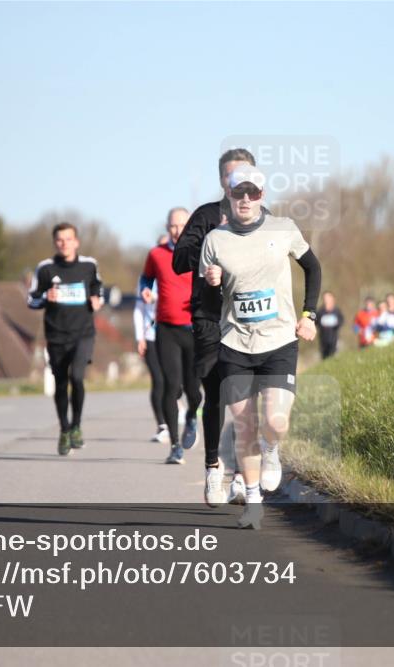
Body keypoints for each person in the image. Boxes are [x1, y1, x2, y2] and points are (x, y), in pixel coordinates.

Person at [201, 163, 321, 529]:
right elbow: (206, 306)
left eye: (253, 192)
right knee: (243, 424)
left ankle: (272, 450)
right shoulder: (215, 241)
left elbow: (313, 268)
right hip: (235, 343)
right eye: (239, 193)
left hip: (280, 340)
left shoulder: (283, 229)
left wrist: (309, 315)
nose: (246, 199)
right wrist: (210, 283)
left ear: (262, 196)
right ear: (230, 196)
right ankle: (252, 498)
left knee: (275, 420)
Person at [172, 149, 263, 506]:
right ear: (222, 180)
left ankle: (242, 475)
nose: (236, 183)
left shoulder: (264, 219)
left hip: (249, 319)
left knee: (246, 399)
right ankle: (213, 470)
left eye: (242, 175)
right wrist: (211, 253)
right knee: (216, 396)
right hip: (210, 318)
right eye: (229, 176)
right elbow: (180, 259)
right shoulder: (207, 215)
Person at [28, 222, 103, 455]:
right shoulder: (45, 269)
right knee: (61, 383)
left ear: (76, 241)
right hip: (57, 335)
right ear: (55, 243)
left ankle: (77, 426)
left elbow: (98, 288)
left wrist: (97, 299)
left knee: (77, 377)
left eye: (68, 239)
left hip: (83, 333)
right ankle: (64, 429)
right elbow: (32, 300)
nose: (64, 243)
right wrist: (45, 296)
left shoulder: (89, 265)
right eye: (60, 240)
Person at [140, 208, 200, 464]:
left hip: (195, 329)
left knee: (194, 390)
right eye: (173, 226)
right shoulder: (156, 254)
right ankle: (175, 446)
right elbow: (146, 278)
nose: (177, 230)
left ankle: (192, 416)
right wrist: (144, 290)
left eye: (182, 225)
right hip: (166, 329)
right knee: (170, 386)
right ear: (167, 228)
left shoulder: (202, 251)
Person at [133, 237, 168, 443]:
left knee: (175, 382)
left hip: (173, 333)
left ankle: (176, 408)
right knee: (158, 380)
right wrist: (140, 338)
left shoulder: (180, 271)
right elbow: (138, 310)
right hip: (151, 335)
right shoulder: (145, 279)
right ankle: (162, 425)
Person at [316, 291, 343, 359]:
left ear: (332, 299)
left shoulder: (337, 311)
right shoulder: (320, 311)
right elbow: (316, 322)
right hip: (323, 338)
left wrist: (336, 324)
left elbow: (341, 321)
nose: (326, 300)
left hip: (334, 337)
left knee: (333, 355)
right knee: (324, 356)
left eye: (328, 298)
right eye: (325, 298)